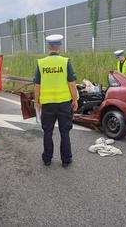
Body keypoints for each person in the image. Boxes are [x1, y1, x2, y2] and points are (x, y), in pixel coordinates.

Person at [34, 34, 78, 168]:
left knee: (47, 132)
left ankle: (47, 159)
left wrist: (37, 101)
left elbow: (37, 85)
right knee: (64, 132)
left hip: (47, 104)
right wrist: (74, 100)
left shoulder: (41, 63)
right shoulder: (65, 62)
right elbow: (72, 83)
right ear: (59, 47)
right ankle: (66, 160)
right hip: (64, 103)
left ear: (49, 47)